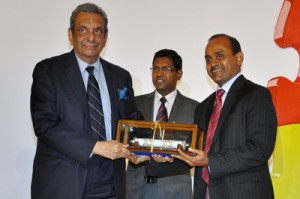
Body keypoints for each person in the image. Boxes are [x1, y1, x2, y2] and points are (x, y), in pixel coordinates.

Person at [30, 3, 142, 199]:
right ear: (70, 34)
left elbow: (132, 119)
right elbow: (45, 125)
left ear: (105, 37)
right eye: (83, 30)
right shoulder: (48, 71)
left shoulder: (121, 76)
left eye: (98, 31)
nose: (91, 37)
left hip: (111, 182)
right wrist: (97, 146)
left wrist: (149, 147)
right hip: (63, 182)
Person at [173, 34, 277, 199]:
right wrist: (161, 156)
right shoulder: (203, 107)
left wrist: (211, 161)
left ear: (239, 58)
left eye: (219, 56)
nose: (213, 63)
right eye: (208, 59)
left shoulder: (257, 95)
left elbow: (260, 149)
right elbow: (193, 152)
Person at [126, 49, 199, 199]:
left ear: (179, 74)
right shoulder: (135, 104)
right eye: (155, 68)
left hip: (176, 190)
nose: (159, 73)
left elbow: (195, 151)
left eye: (166, 68)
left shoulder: (196, 108)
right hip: (136, 189)